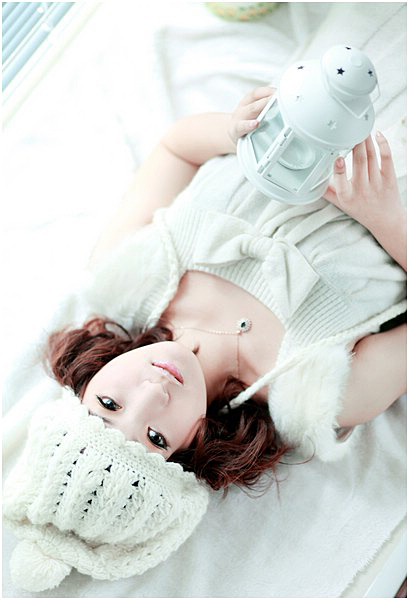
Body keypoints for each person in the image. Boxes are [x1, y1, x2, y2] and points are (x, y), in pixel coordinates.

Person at [3, 86, 406, 592]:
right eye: (155, 438)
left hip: (329, 81)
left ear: (83, 386)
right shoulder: (321, 393)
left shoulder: (127, 269)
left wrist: (233, 131)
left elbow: (177, 149)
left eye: (108, 404)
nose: (153, 393)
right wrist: (386, 217)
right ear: (191, 447)